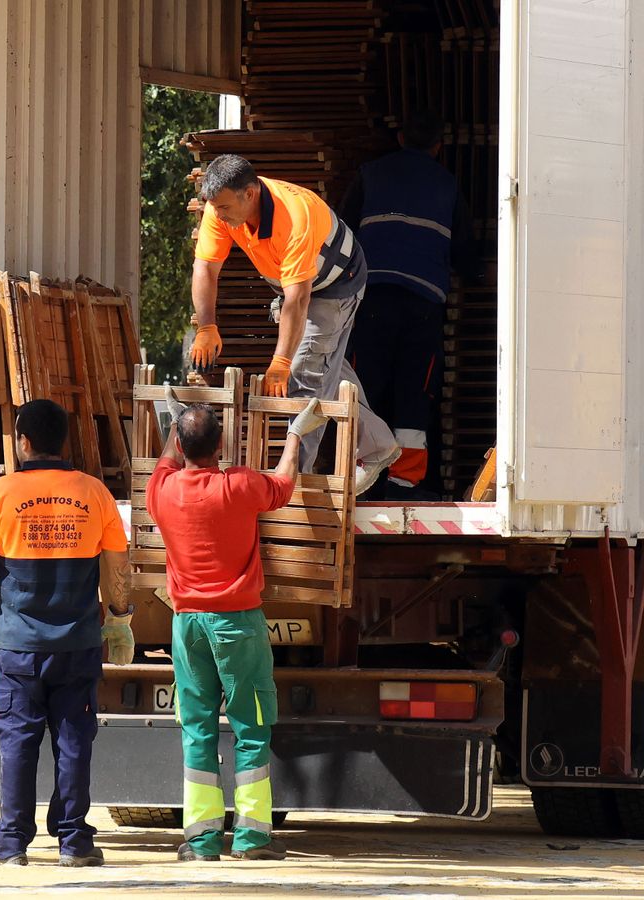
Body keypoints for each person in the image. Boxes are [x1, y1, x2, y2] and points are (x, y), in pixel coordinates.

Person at [147, 388, 328, 861]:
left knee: (198, 729)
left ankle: (201, 841)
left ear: (182, 446)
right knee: (251, 727)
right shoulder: (239, 485)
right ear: (222, 446)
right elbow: (284, 486)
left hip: (186, 626)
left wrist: (174, 424)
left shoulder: (161, 491)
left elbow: (167, 460)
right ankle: (252, 838)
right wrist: (293, 435)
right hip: (237, 624)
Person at [0, 398, 133, 867]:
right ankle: (74, 843)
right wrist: (119, 617)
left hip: (18, 647)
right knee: (74, 742)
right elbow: (117, 563)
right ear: (63, 441)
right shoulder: (94, 494)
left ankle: (11, 845)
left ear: (24, 442)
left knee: (17, 744)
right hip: (77, 645)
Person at [189, 154, 399, 495]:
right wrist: (206, 326)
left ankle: (290, 481)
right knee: (324, 364)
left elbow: (299, 300)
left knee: (305, 372)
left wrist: (281, 362)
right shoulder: (220, 210)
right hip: (295, 285)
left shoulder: (293, 216)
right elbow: (205, 268)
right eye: (216, 208)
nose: (221, 216)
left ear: (250, 194)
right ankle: (379, 445)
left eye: (226, 207)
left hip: (335, 284)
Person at [339, 109, 483, 499]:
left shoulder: (370, 175)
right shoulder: (448, 186)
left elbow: (341, 236)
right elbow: (467, 257)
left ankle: (361, 483)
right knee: (414, 395)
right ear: (438, 147)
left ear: (400, 138)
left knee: (365, 390)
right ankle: (404, 487)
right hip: (423, 309)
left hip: (371, 302)